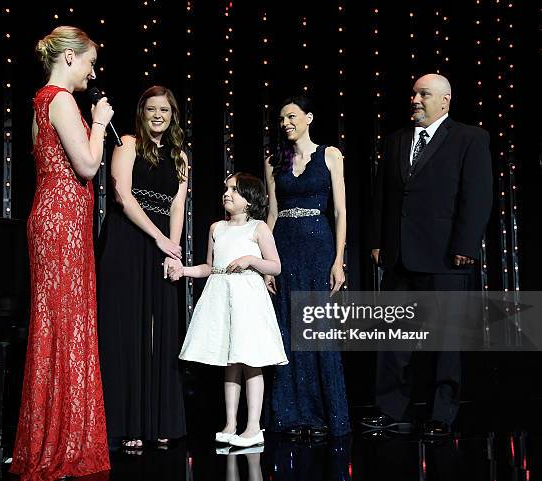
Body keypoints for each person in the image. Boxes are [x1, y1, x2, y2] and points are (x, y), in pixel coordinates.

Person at [364, 73, 493, 437]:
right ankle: (392, 411)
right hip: (399, 256)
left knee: (446, 342)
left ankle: (441, 414)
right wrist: (377, 241)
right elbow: (382, 199)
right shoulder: (395, 141)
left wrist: (465, 247)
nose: (415, 100)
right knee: (392, 339)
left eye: (424, 94)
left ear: (445, 100)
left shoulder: (470, 137)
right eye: (414, 94)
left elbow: (478, 196)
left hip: (447, 258)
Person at [11, 26, 113, 480]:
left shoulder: (40, 102)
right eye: (89, 62)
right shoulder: (61, 99)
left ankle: (53, 438)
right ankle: (62, 443)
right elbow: (87, 166)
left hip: (52, 219)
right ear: (69, 57)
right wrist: (102, 124)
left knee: (58, 323)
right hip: (62, 223)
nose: (92, 72)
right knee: (66, 324)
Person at [97, 85, 188, 450]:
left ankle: (159, 420)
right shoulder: (128, 144)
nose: (157, 116)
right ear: (142, 112)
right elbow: (122, 194)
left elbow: (178, 206)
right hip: (127, 238)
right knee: (126, 328)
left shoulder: (181, 156)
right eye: (151, 109)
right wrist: (158, 237)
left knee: (162, 329)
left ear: (172, 115)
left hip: (162, 242)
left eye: (164, 110)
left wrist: (173, 250)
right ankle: (127, 424)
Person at [173, 173, 288, 449]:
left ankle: (252, 427)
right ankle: (230, 423)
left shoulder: (259, 228)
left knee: (251, 359)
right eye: (226, 188)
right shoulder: (216, 228)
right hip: (222, 298)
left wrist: (251, 259)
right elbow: (210, 267)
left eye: (234, 190)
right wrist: (184, 270)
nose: (227, 193)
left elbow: (276, 266)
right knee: (230, 361)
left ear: (249, 200)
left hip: (248, 298)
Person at [264, 96, 350, 438]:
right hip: (284, 247)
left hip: (318, 248)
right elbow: (271, 215)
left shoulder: (330, 155)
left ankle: (323, 415)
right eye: (281, 117)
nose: (286, 122)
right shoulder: (274, 160)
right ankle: (290, 416)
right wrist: (268, 265)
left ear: (308, 117)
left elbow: (341, 212)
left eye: (292, 116)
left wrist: (338, 260)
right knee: (286, 326)